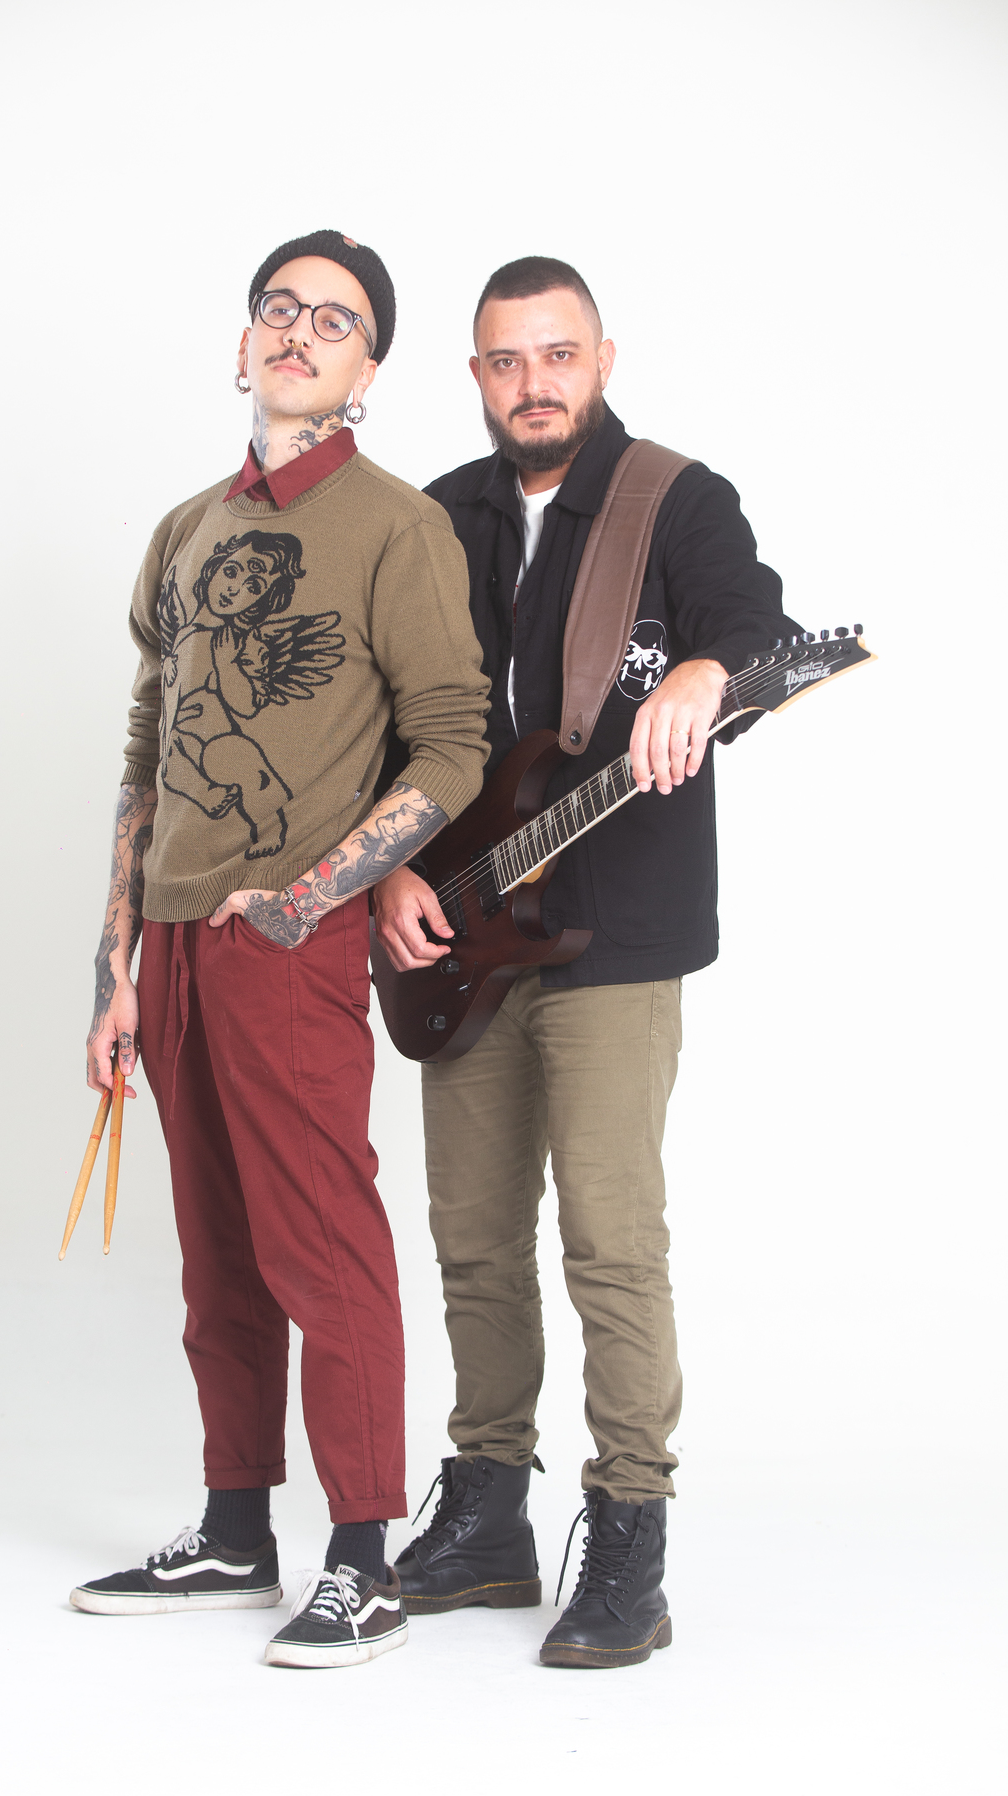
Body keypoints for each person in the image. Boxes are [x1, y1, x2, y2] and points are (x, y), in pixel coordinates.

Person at [373, 256, 802, 1669]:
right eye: (507, 360)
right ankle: (488, 1508)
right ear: (476, 374)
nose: (535, 383)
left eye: (558, 354)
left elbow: (753, 628)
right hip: (462, 934)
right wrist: (391, 877)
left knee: (611, 1243)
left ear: (602, 357)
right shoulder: (440, 515)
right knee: (473, 1239)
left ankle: (629, 1531)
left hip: (616, 935)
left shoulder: (675, 499)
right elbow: (389, 722)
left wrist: (706, 676)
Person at [69, 229, 490, 1671]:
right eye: (280, 308)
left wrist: (316, 897)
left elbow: (453, 745)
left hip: (289, 939)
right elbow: (147, 744)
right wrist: (114, 969)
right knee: (218, 1251)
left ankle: (363, 1557)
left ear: (370, 368)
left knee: (323, 1242)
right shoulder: (186, 530)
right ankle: (236, 1529)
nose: (301, 331)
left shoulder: (396, 527)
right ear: (243, 341)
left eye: (337, 320)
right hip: (174, 941)